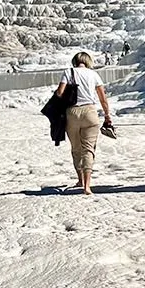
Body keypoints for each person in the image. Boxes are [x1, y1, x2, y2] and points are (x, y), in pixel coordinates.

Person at [53, 51, 113, 195]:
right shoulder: (94, 74)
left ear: (75, 61)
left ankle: (80, 179)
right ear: (88, 61)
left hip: (72, 113)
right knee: (88, 149)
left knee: (76, 148)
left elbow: (60, 92)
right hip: (90, 113)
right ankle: (87, 186)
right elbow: (102, 98)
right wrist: (107, 116)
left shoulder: (69, 72)